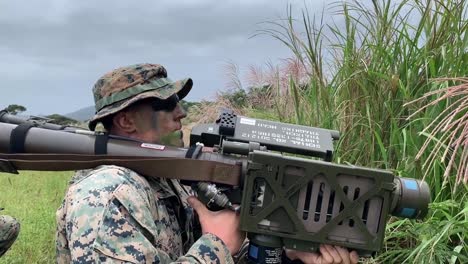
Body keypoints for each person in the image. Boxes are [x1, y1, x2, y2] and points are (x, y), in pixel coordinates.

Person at [56, 63, 359, 264]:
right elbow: (215, 250)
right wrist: (217, 244)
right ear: (125, 120)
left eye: (179, 102)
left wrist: (290, 254)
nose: (181, 113)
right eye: (166, 104)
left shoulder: (162, 177)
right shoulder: (109, 190)